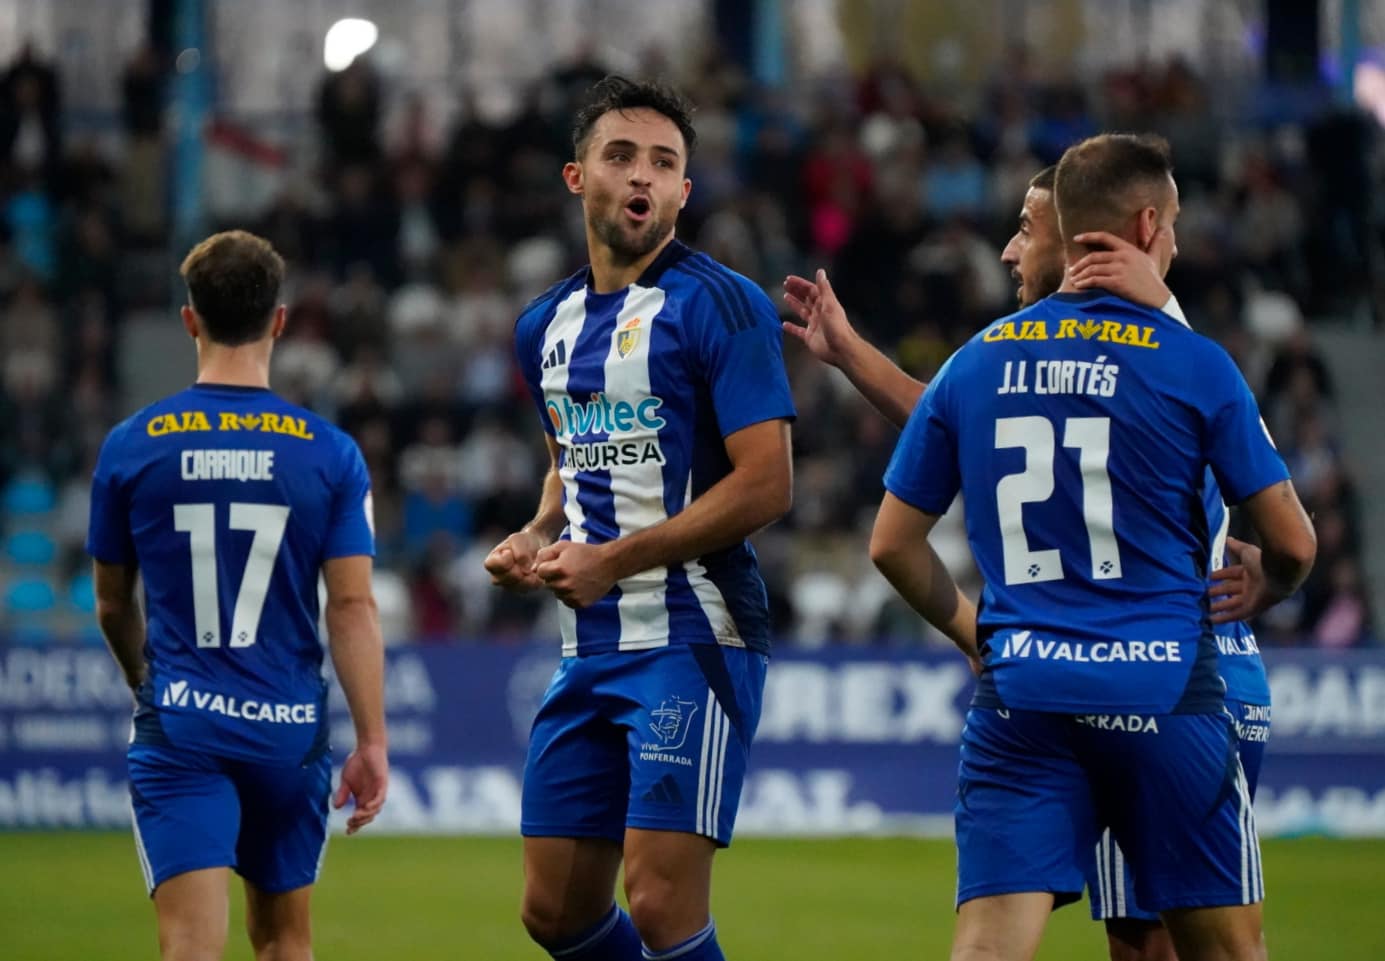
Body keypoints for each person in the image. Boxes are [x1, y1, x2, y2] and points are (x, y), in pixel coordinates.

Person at [782, 165, 1275, 961]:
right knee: (1147, 946)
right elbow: (962, 420)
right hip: (1148, 672)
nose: (1009, 250)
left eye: (1026, 228)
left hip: (1179, 674)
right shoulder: (1110, 349)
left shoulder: (1159, 330)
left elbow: (934, 463)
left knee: (1157, 948)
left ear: (1088, 237)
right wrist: (853, 355)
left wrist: (981, 635)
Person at [484, 76, 794, 961]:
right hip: (588, 643)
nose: (642, 177)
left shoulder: (720, 303)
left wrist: (613, 560)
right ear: (576, 177)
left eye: (664, 163)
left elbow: (767, 485)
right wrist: (539, 532)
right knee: (555, 913)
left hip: (694, 634)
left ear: (683, 192)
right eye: (620, 156)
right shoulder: (541, 324)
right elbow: (569, 458)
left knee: (658, 900)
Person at [87, 230, 389, 961]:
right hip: (287, 731)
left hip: (184, 728)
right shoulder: (329, 453)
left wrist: (144, 683)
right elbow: (350, 606)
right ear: (278, 321)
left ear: (189, 319)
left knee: (190, 945)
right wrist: (373, 739)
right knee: (285, 941)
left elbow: (110, 603)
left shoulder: (133, 444)